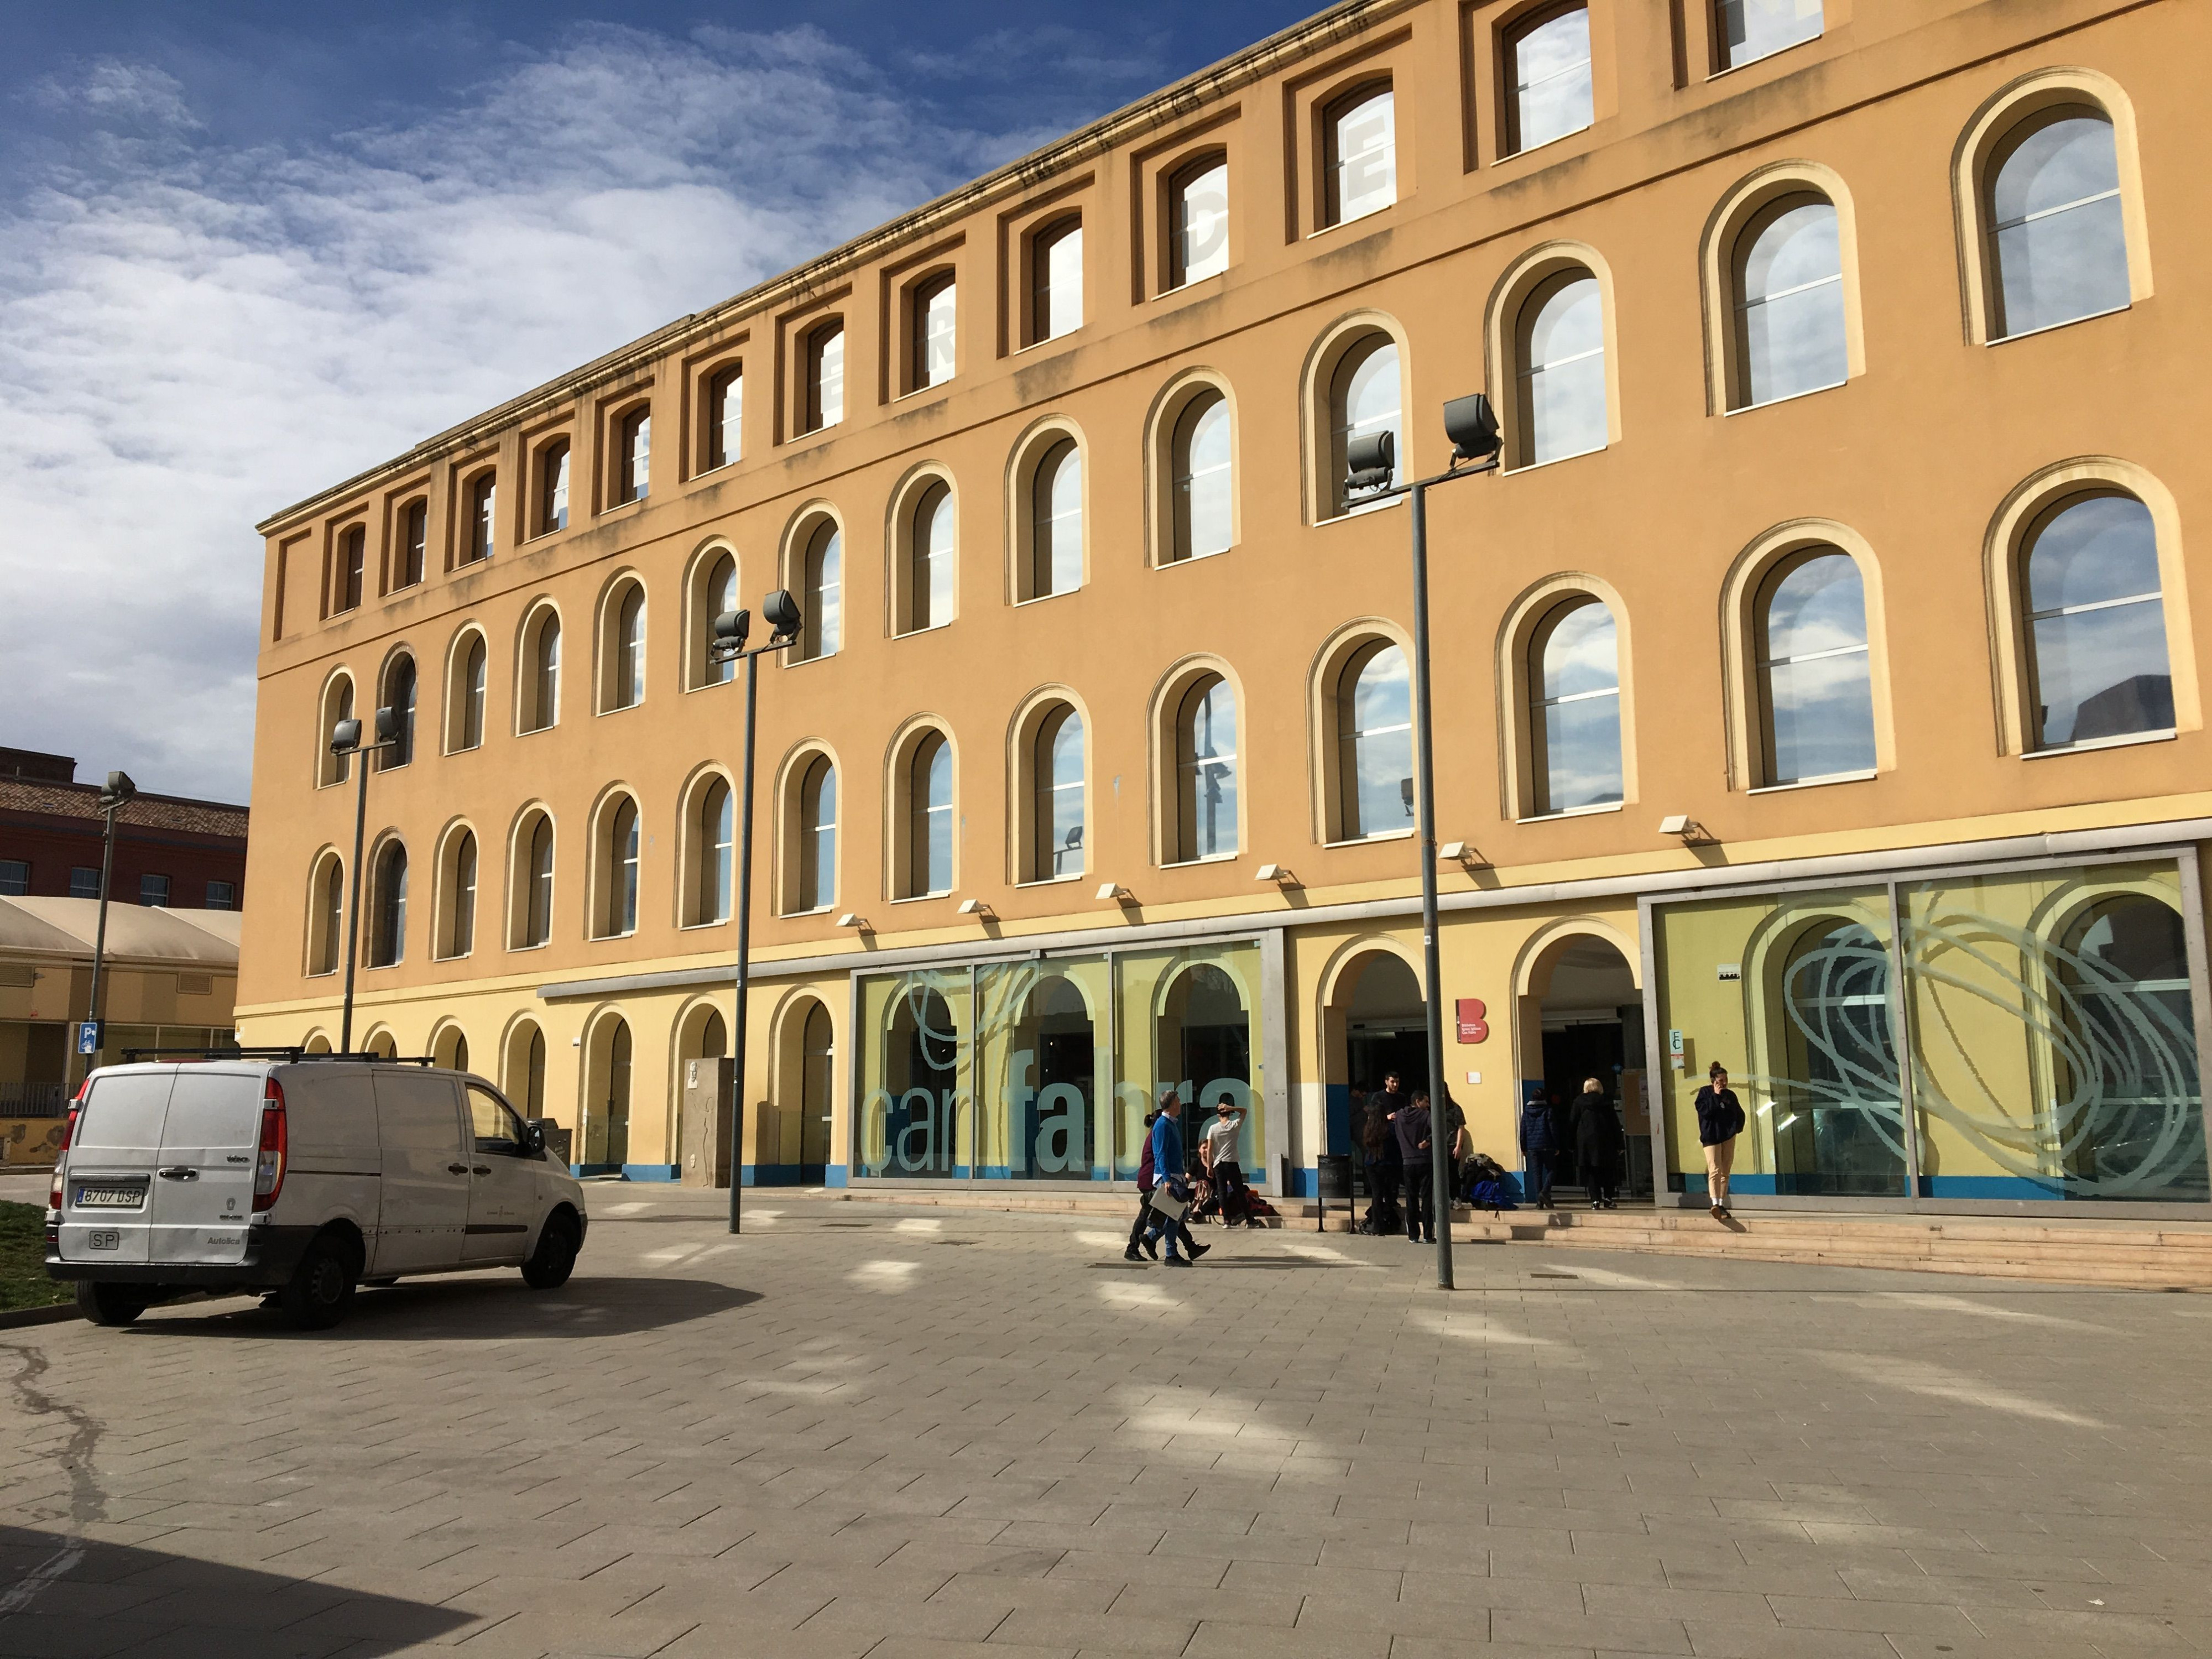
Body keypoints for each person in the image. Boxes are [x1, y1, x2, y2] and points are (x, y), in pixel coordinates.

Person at [1150, 1091, 1211, 1265]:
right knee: (1174, 1217)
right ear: (1172, 1104)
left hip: (1175, 1176)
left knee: (1177, 1216)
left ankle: (1151, 1239)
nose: (1181, 1103)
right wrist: (1167, 1180)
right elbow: (1160, 1154)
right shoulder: (1162, 1125)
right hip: (1168, 1177)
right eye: (1178, 1100)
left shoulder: (1171, 1124)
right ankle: (1170, 1254)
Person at [1695, 1061, 1746, 1220]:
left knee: (1725, 1170)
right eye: (1720, 1081)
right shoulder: (1705, 1093)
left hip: (1728, 1136)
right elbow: (1705, 1112)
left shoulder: (1730, 1095)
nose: (1724, 1083)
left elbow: (1739, 1113)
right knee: (1715, 1169)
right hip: (1712, 1136)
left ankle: (1722, 1203)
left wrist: (1736, 1129)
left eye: (1725, 1080)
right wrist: (1716, 1097)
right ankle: (1715, 1203)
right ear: (1713, 1081)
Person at [1568, 1077, 1625, 1209]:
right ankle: (1608, 1198)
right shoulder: (1606, 1101)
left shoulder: (1579, 1102)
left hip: (1586, 1143)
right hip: (1606, 1141)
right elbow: (1615, 1124)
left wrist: (1571, 1144)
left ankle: (1595, 1200)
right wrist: (1620, 1144)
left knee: (1591, 1172)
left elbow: (1573, 1123)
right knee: (1608, 1171)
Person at [1396, 1089, 1436, 1245]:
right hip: (1424, 1161)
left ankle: (1413, 1235)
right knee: (1426, 1199)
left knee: (1411, 1198)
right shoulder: (1425, 1115)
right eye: (1426, 1101)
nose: (1428, 1105)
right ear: (1418, 1102)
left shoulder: (1400, 1115)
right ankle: (1428, 1235)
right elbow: (1439, 1129)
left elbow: (1389, 1118)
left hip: (1407, 1162)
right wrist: (1429, 1140)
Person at [1202, 1103, 1249, 1227]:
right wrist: (1231, 1108)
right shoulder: (1234, 1125)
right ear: (1229, 1114)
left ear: (1218, 1115)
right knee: (1239, 1191)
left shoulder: (1213, 1128)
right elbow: (1244, 1111)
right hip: (1232, 1162)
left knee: (1222, 1191)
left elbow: (1211, 1149)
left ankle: (1226, 1220)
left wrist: (1209, 1166)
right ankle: (1250, 1219)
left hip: (1219, 1163)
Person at [1361, 1091, 1400, 1235]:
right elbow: (1396, 1146)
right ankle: (1389, 1221)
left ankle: (1378, 1226)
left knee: (1376, 1195)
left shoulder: (1369, 1129)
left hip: (1372, 1165)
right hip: (1388, 1164)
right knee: (1389, 1195)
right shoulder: (1390, 1129)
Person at [1518, 1089, 1557, 1209]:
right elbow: (1553, 1129)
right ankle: (1545, 1192)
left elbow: (1523, 1130)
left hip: (1532, 1147)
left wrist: (1523, 1147)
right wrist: (1557, 1145)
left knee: (1537, 1174)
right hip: (1547, 1145)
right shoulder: (1548, 1110)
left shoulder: (1527, 1111)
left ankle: (1539, 1203)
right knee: (1553, 1170)